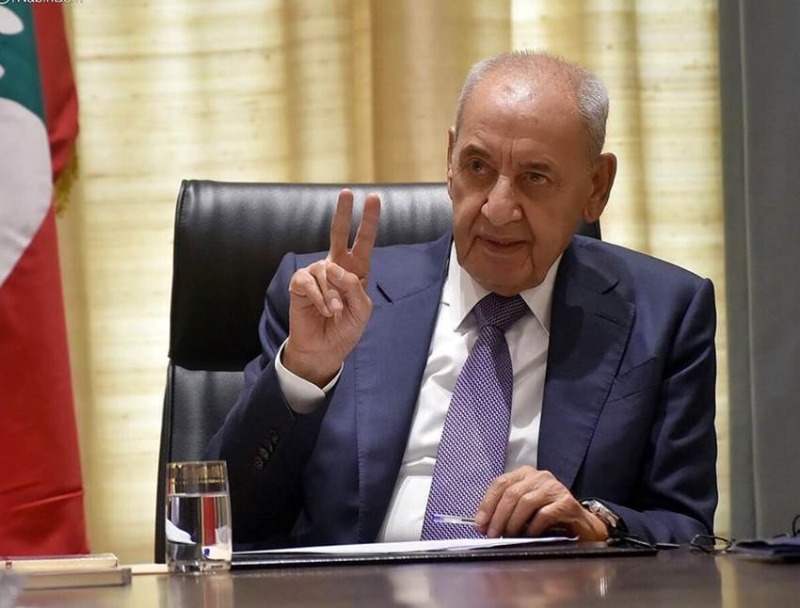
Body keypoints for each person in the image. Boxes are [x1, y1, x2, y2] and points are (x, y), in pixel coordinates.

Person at [206, 51, 717, 548]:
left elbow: (687, 531)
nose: (497, 209)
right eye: (477, 166)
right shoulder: (330, 299)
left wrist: (597, 524)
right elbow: (217, 522)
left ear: (596, 187)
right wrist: (304, 374)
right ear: (450, 162)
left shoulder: (664, 314)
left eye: (535, 177)